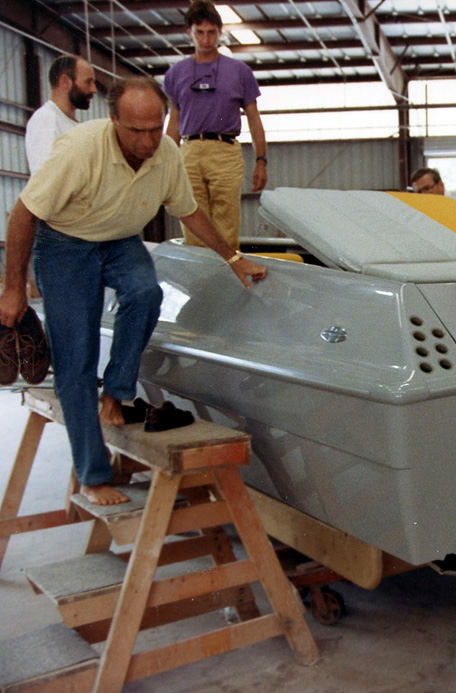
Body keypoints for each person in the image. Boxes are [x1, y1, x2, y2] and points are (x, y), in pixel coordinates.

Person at [0, 76, 268, 506]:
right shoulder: (80, 151)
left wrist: (233, 259)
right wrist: (13, 289)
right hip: (66, 245)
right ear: (112, 120)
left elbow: (191, 211)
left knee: (145, 293)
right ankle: (93, 475)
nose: (147, 141)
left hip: (121, 240)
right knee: (76, 361)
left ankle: (117, 392)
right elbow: (22, 214)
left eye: (154, 128)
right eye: (135, 130)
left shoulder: (166, 154)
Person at [163, 0, 268, 250]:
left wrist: (261, 160)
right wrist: (165, 161)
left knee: (226, 226)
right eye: (200, 32)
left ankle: (229, 282)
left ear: (220, 33)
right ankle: (200, 286)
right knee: (191, 221)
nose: (206, 39)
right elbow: (174, 120)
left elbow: (254, 117)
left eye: (211, 32)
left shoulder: (239, 71)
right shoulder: (176, 74)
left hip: (225, 151)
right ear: (190, 32)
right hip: (189, 150)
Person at [25, 54, 98, 174]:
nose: (94, 89)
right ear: (65, 82)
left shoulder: (70, 123)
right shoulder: (46, 118)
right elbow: (46, 176)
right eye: (88, 82)